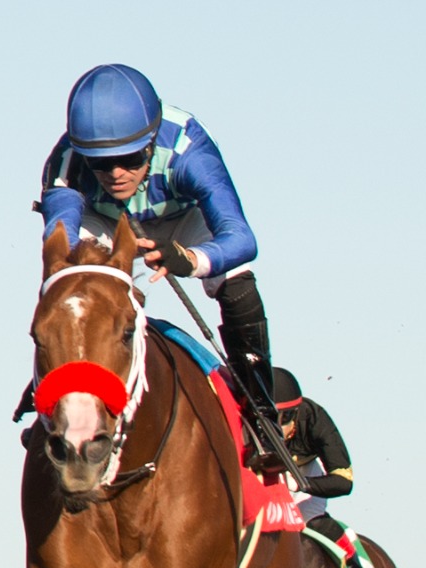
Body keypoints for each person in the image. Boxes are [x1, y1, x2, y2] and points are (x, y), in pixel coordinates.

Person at [37, 64, 280, 438]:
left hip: (183, 219)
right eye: (101, 163)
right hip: (106, 222)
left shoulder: (188, 150)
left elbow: (241, 238)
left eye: (131, 159)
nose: (116, 173)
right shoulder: (66, 165)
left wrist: (190, 260)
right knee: (78, 291)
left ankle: (262, 414)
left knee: (237, 285)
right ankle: (51, 403)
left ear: (151, 143)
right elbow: (60, 250)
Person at [273, 368, 381, 568]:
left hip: (306, 477)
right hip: (265, 476)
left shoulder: (316, 420)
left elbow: (344, 482)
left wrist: (302, 483)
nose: (279, 430)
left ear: (297, 412)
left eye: (285, 419)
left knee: (313, 521)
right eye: (272, 419)